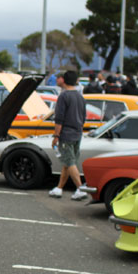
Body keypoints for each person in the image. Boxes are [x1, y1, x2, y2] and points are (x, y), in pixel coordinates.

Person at [49, 71, 88, 200]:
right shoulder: (80, 97)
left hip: (66, 134)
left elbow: (59, 118)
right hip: (77, 133)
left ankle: (80, 189)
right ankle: (59, 188)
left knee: (70, 162)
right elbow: (83, 116)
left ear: (64, 80)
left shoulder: (64, 96)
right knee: (68, 161)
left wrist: (56, 136)